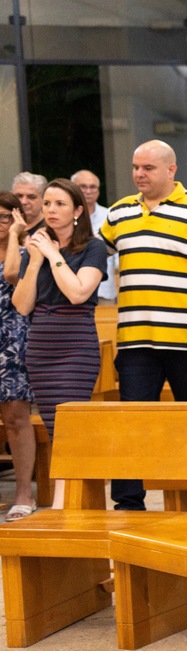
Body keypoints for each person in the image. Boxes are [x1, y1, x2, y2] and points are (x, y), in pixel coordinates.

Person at [100, 140, 187, 511]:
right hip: (136, 340)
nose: (139, 174)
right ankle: (128, 504)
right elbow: (90, 252)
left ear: (171, 170)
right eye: (135, 167)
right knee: (132, 423)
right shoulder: (119, 213)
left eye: (148, 168)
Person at [9, 180, 106, 509]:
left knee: (69, 427)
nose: (51, 210)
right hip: (41, 345)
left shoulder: (92, 248)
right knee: (54, 427)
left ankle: (66, 506)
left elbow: (78, 293)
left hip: (75, 343)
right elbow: (22, 305)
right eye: (47, 204)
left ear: (77, 211)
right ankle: (70, 504)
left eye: (60, 204)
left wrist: (52, 255)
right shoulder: (36, 249)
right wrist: (36, 260)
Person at [0, 192, 37, 521]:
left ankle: (24, 493)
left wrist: (15, 235)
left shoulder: (28, 252)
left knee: (15, 418)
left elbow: (12, 274)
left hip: (13, 339)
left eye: (6, 217)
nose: (1, 223)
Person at [72, 169, 120, 302]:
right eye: (83, 186)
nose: (88, 191)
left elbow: (118, 259)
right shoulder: (64, 216)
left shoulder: (110, 216)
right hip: (72, 291)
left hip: (104, 292)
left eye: (92, 187)